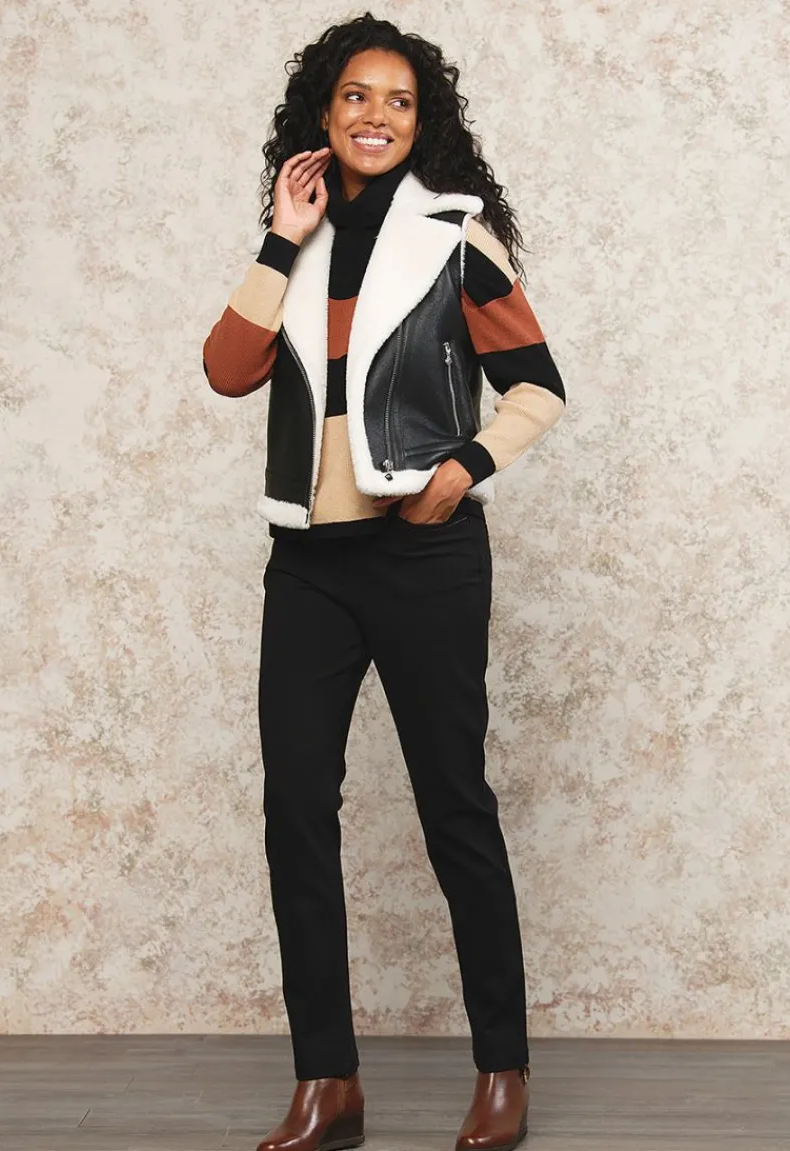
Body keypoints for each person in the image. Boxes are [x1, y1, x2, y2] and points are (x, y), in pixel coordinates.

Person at [202, 13, 566, 1151]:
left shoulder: (458, 237)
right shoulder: (295, 243)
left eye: (399, 101)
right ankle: (330, 1083)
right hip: (309, 564)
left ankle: (502, 1069)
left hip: (425, 557)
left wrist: (464, 470)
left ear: (424, 121)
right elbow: (226, 370)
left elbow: (538, 385)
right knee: (295, 813)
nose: (376, 116)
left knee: (455, 804)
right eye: (356, 96)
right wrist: (279, 240)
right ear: (323, 111)